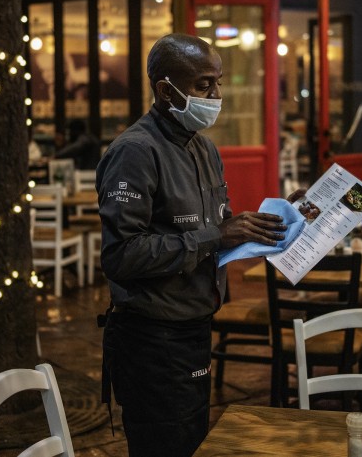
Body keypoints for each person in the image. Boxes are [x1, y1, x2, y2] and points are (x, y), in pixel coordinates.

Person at [96, 33, 293, 457]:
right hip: (153, 338)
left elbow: (215, 232)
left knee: (194, 443)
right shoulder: (135, 151)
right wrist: (215, 236)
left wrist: (279, 224)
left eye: (218, 82)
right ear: (166, 90)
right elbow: (120, 256)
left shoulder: (203, 148)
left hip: (195, 326)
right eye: (204, 85)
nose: (216, 95)